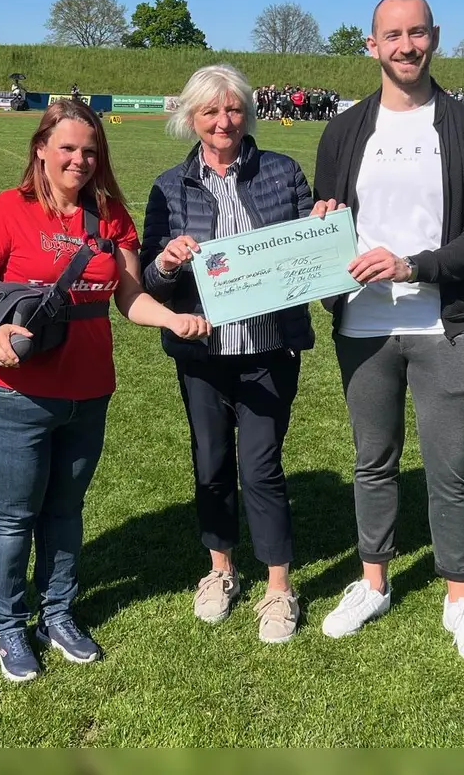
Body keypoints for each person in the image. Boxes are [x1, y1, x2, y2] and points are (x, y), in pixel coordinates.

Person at [0, 99, 210, 683]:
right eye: (67, 148)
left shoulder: (110, 214)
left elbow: (129, 296)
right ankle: (8, 626)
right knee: (13, 516)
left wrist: (170, 319)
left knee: (66, 511)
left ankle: (58, 613)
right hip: (14, 393)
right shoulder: (7, 210)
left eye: (89, 150)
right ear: (41, 149)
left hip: (89, 391)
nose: (79, 159)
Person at [310, 0, 464, 664]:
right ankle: (374, 583)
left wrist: (411, 266)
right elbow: (328, 222)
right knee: (373, 462)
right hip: (362, 326)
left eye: (416, 33)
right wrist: (320, 232)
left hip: (443, 325)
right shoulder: (343, 131)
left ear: (434, 38)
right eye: (391, 35)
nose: (405, 46)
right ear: (372, 45)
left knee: (451, 469)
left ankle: (460, 598)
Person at [141, 64, 315, 644]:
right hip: (203, 353)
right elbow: (147, 280)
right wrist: (166, 262)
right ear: (191, 117)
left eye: (234, 109)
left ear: (249, 113)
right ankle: (219, 571)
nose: (224, 121)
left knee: (261, 468)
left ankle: (278, 588)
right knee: (211, 463)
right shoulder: (170, 186)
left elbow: (314, 262)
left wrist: (321, 229)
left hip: (268, 348)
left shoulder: (284, 173)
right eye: (211, 111)